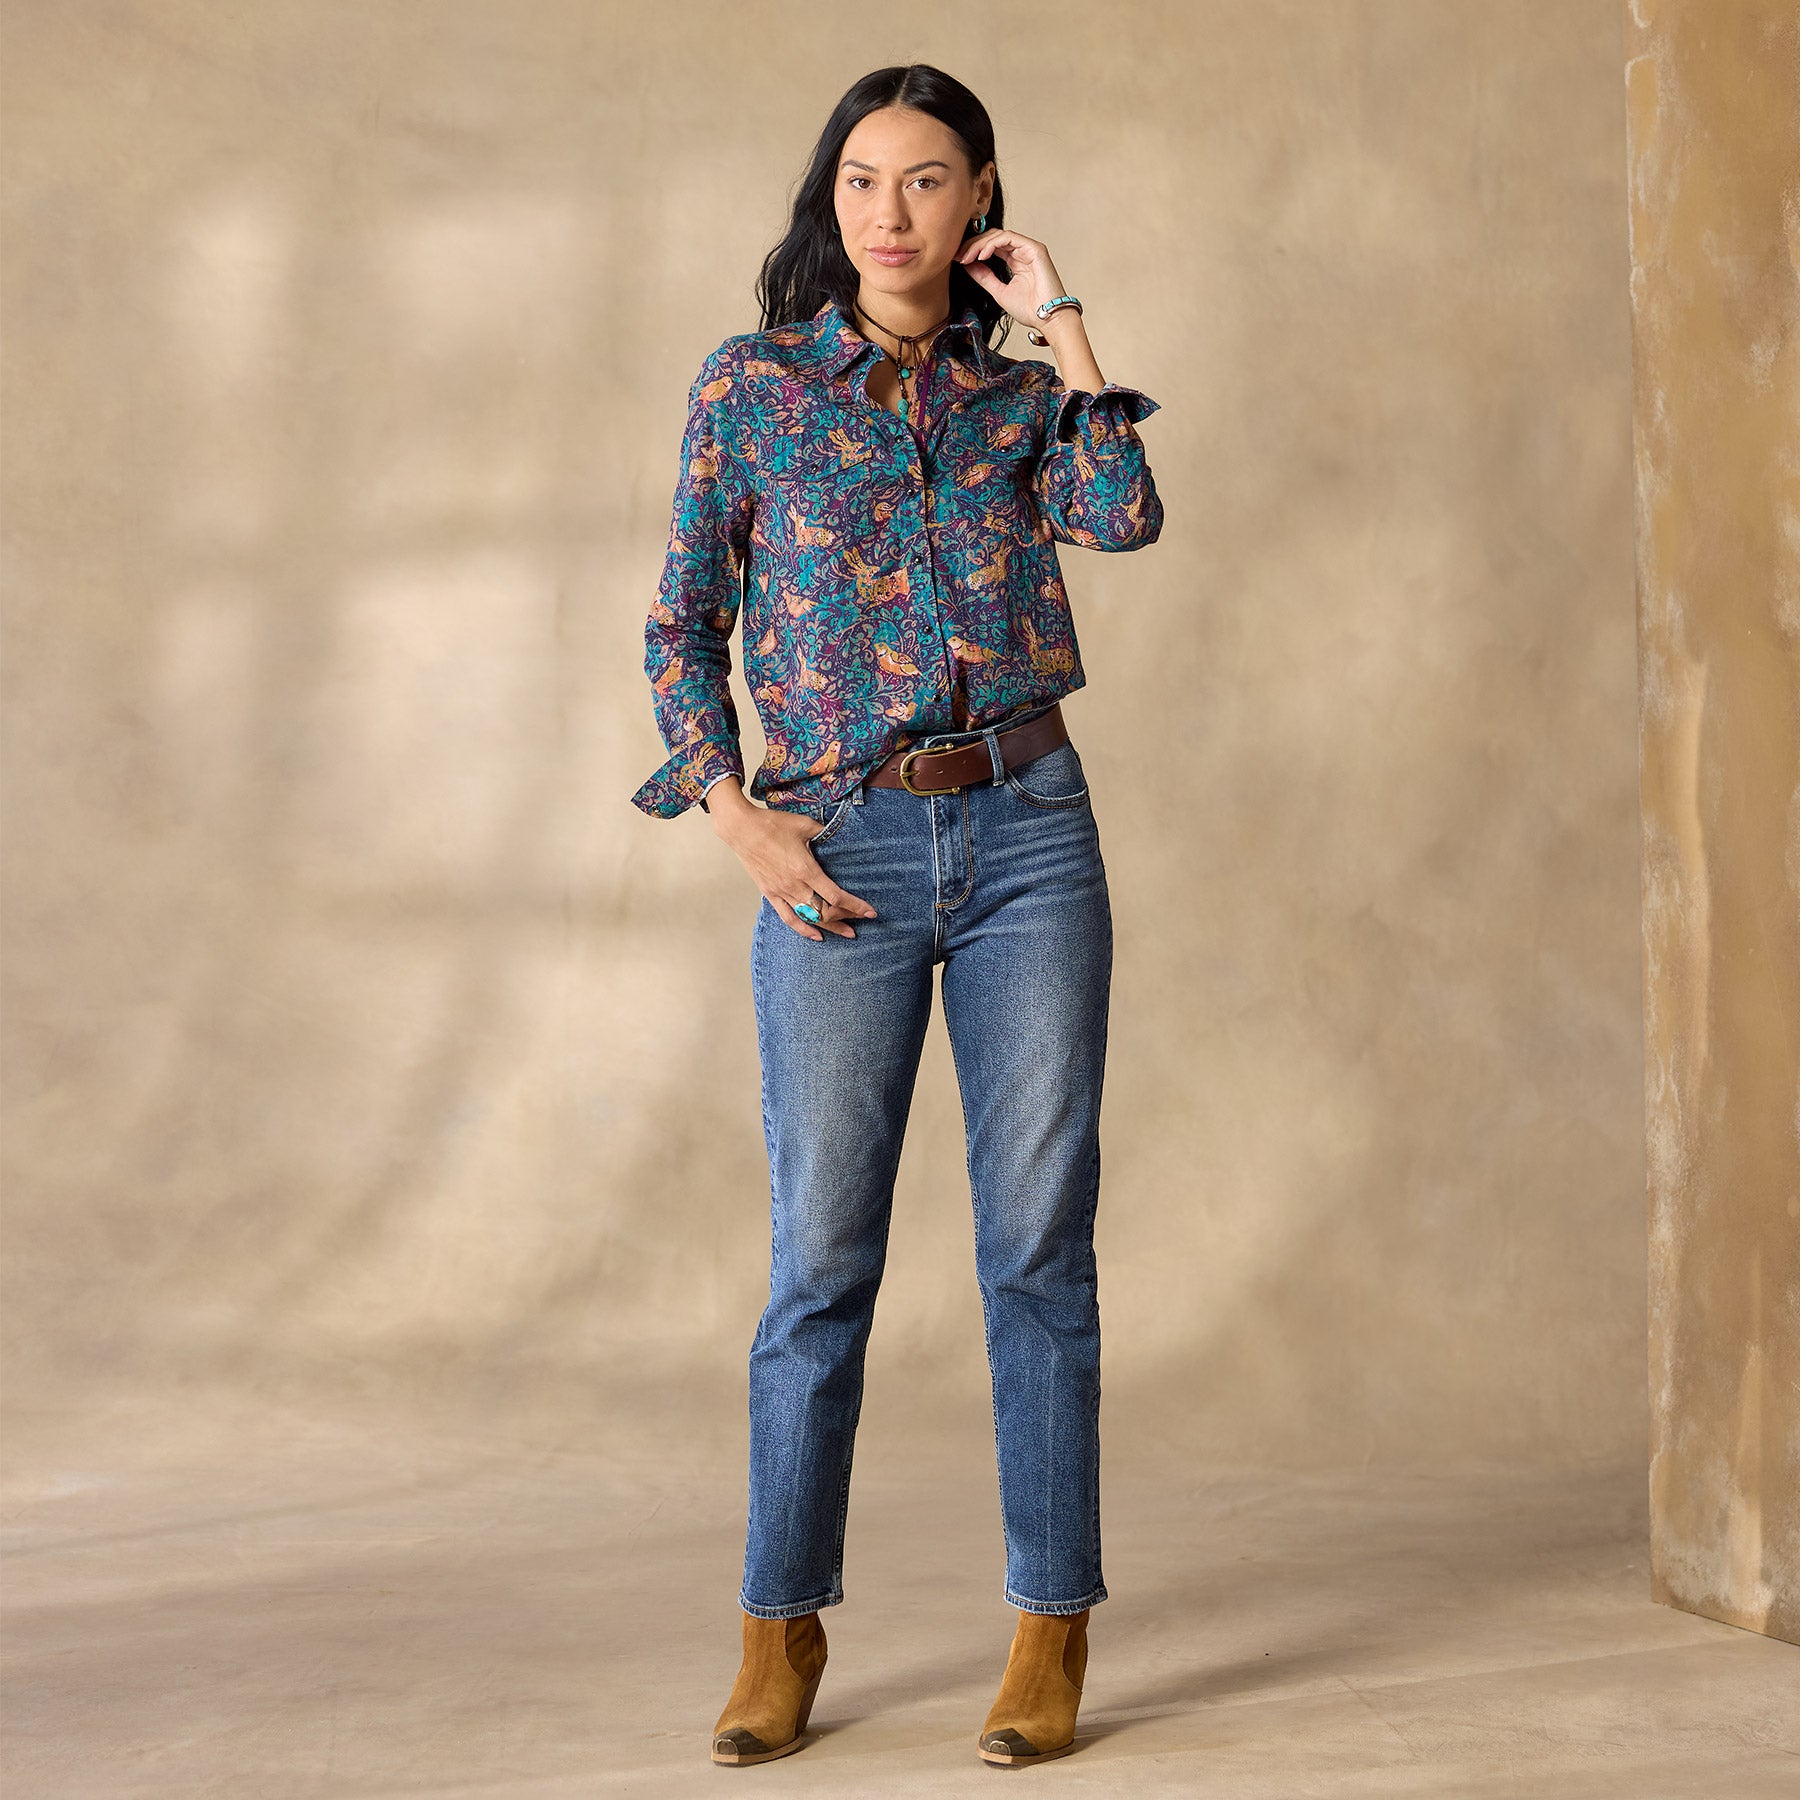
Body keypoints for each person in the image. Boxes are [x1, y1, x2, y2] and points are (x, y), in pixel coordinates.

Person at [629, 62, 1164, 1767]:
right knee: (822, 1262)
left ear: (979, 195)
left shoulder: (1023, 405)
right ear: (831, 197)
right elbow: (680, 621)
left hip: (1028, 839)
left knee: (1037, 1248)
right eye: (862, 179)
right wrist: (736, 817)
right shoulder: (757, 386)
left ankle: (1051, 1629)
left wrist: (1059, 314)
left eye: (927, 179)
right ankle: (778, 1626)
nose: (889, 211)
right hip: (838, 847)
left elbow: (1125, 514)